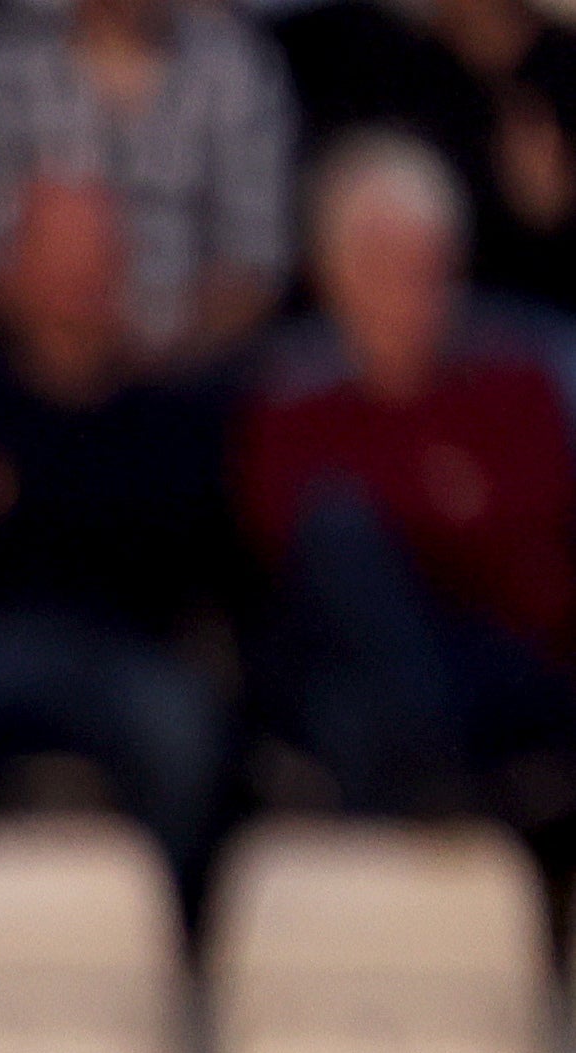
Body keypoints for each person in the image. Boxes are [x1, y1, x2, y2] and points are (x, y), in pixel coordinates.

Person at [0, 172, 242, 864]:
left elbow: (183, 555)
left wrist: (22, 497)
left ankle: (174, 940)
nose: (77, 276)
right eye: (57, 254)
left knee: (185, 737)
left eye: (93, 254)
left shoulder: (166, 402)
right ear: (15, 266)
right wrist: (92, 504)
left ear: (120, 264)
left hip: (127, 644)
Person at [248, 135, 576, 828]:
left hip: (496, 652)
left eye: (424, 266)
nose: (407, 290)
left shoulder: (513, 385)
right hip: (349, 672)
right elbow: (281, 542)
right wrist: (444, 504)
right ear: (333, 274)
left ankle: (434, 784)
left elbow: (532, 555)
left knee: (372, 710)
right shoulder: (292, 402)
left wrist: (398, 521)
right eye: (380, 265)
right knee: (338, 547)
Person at [0, 0, 294, 369]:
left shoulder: (235, 66)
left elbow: (256, 265)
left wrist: (153, 357)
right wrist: (66, 341)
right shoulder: (9, 59)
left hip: (185, 371)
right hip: (33, 362)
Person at [283, 0, 576, 321]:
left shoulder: (562, 64)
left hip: (539, 318)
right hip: (421, 322)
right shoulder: (393, 64)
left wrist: (551, 216)